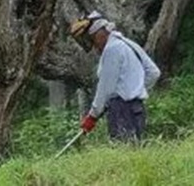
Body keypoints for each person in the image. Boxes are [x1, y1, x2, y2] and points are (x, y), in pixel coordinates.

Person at [69, 10, 161, 142]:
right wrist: (136, 89)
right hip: (137, 110)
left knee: (124, 154)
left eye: (93, 39)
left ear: (100, 33)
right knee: (137, 153)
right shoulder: (127, 43)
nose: (94, 45)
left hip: (121, 112)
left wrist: (92, 116)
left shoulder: (111, 50)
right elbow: (154, 72)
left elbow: (105, 89)